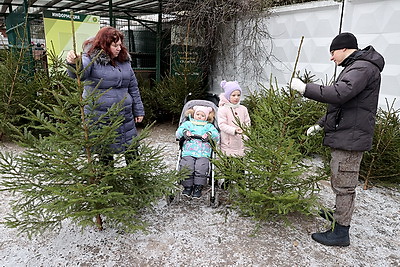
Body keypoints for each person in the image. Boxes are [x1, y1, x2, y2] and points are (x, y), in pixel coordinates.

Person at [290, 32, 385, 247]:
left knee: (344, 185)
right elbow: (343, 105)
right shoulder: (356, 67)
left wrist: (305, 88)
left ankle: (341, 232)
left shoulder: (362, 68)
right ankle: (338, 215)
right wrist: (321, 124)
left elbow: (339, 94)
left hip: (350, 139)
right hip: (346, 134)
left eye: (332, 52)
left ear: (343, 49)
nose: (331, 58)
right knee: (340, 180)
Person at [66, 26, 145, 164]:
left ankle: (138, 181)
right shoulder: (91, 58)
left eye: (120, 44)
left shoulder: (124, 61)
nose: (119, 48)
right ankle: (107, 182)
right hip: (101, 116)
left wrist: (138, 110)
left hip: (124, 116)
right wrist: (74, 62)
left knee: (132, 150)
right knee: (105, 153)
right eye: (115, 45)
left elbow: (133, 87)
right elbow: (80, 71)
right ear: (104, 45)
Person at [176, 105, 220, 198]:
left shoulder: (209, 126)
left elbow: (217, 136)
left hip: (203, 153)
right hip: (188, 152)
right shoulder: (188, 124)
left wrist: (209, 135)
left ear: (207, 117)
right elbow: (178, 133)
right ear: (193, 114)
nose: (199, 117)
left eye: (202, 115)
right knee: (187, 166)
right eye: (198, 114)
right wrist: (184, 132)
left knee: (201, 167)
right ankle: (187, 187)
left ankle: (198, 187)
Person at [217, 80, 251, 157]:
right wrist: (234, 130)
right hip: (228, 144)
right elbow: (222, 125)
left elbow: (247, 122)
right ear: (228, 96)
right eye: (233, 95)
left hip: (241, 143)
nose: (236, 97)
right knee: (229, 166)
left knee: (240, 166)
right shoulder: (223, 109)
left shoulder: (243, 109)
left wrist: (246, 134)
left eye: (238, 95)